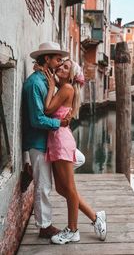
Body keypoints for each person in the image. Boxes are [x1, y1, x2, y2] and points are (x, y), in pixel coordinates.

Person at [43, 59, 107, 244]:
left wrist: (51, 86)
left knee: (69, 190)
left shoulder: (67, 89)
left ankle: (73, 230)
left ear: (70, 75)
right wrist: (54, 87)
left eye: (65, 67)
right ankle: (95, 217)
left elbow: (47, 110)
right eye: (61, 64)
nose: (60, 68)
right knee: (61, 188)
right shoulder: (63, 89)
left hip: (61, 141)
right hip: (56, 140)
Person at [22, 42, 70, 239]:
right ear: (46, 59)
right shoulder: (34, 83)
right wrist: (59, 123)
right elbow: (37, 119)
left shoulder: (46, 80)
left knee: (76, 160)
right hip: (38, 141)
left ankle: (32, 172)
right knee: (44, 187)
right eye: (57, 58)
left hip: (48, 141)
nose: (60, 61)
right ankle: (44, 226)